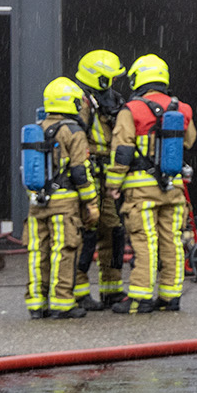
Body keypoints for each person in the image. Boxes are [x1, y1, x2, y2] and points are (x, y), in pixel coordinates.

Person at [110, 54, 197, 315]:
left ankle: (140, 298)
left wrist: (114, 184)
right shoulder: (183, 108)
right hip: (173, 188)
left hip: (141, 190)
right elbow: (189, 141)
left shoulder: (131, 109)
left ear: (138, 79)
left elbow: (122, 150)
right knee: (172, 241)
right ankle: (170, 297)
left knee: (144, 242)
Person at [24, 77, 101, 320]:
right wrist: (91, 202)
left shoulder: (37, 127)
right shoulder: (74, 131)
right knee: (63, 251)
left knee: (38, 253)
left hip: (37, 202)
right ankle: (62, 303)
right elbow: (80, 171)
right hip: (64, 204)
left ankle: (37, 303)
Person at [72, 49, 128, 311]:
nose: (115, 83)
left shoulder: (112, 101)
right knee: (87, 233)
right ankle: (79, 291)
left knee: (114, 231)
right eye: (111, 78)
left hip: (110, 176)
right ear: (99, 78)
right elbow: (75, 140)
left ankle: (112, 289)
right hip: (91, 175)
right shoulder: (81, 103)